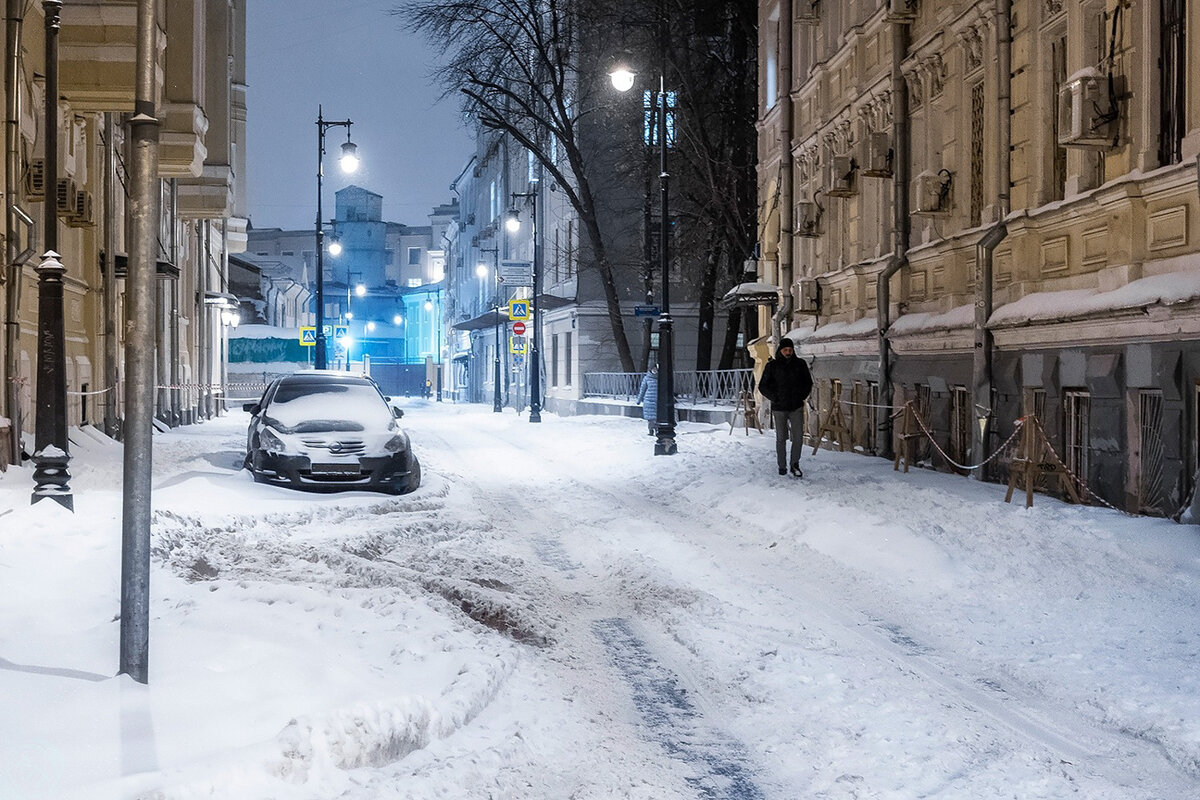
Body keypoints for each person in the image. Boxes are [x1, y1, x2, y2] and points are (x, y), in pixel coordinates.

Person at [757, 337, 813, 477]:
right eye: (785, 350)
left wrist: (801, 396)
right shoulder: (772, 366)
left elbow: (808, 383)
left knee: (798, 437)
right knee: (781, 438)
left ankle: (795, 464)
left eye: (790, 350)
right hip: (779, 408)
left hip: (796, 406)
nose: (788, 352)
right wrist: (775, 397)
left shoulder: (800, 364)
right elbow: (763, 386)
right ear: (780, 350)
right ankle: (781, 466)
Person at [636, 363, 659, 435]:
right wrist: (639, 400)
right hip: (649, 400)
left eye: (655, 369)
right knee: (651, 418)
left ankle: (657, 430)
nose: (654, 371)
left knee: (657, 417)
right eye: (653, 369)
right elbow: (642, 390)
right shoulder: (646, 378)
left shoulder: (660, 378)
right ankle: (651, 430)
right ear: (650, 370)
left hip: (657, 401)